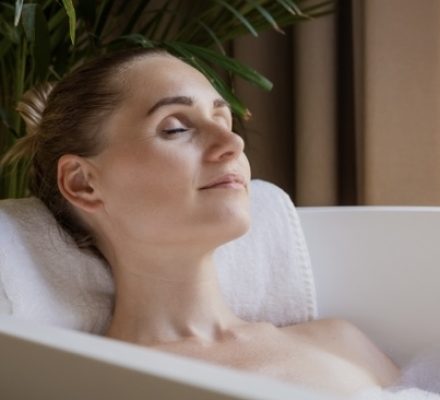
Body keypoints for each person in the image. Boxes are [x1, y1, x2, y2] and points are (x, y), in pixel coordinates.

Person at [0, 48, 400, 396]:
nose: (233, 143)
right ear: (83, 183)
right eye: (176, 127)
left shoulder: (341, 343)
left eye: (223, 121)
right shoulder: (102, 389)